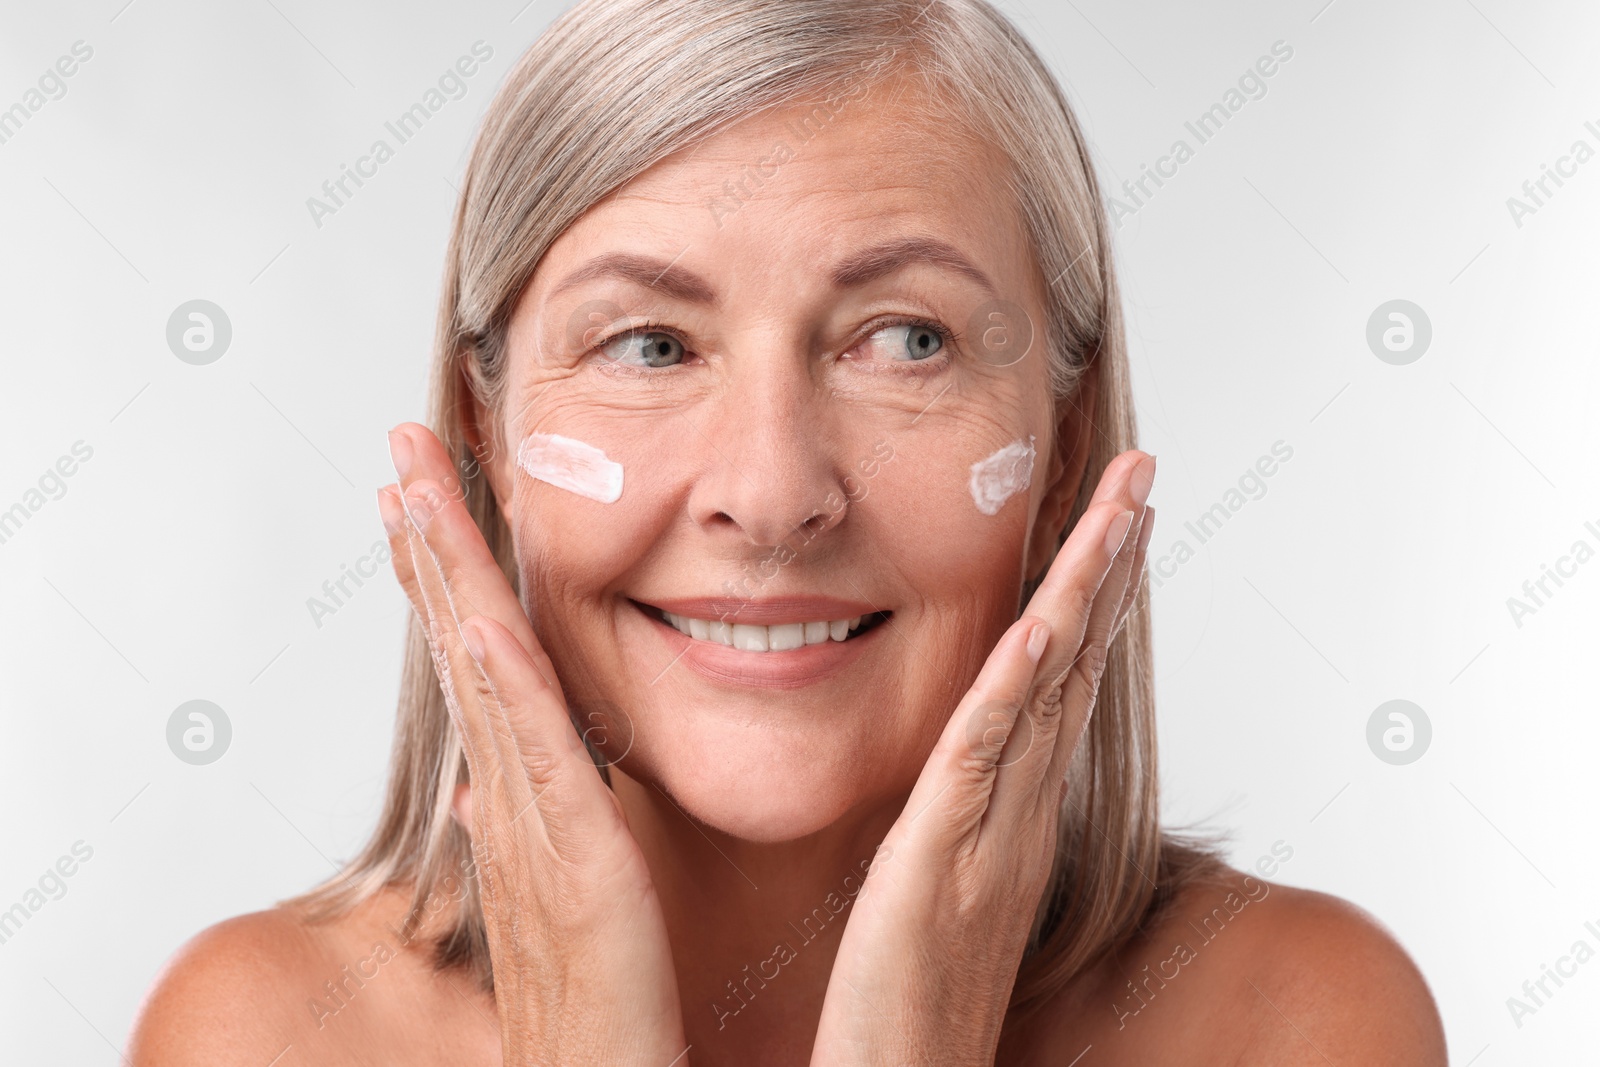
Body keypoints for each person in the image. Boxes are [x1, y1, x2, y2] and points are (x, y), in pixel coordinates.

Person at [129, 0, 1447, 1062]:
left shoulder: (1292, 1023)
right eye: (649, 345)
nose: (769, 497)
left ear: (1062, 454)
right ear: (487, 442)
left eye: (907, 341)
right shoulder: (262, 1035)